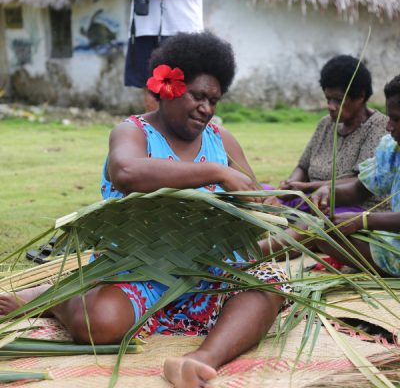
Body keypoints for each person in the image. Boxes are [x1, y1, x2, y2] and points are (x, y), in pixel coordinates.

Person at [0, 32, 291, 388]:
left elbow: (252, 197)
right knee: (100, 326)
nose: (207, 109)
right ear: (167, 86)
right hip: (140, 266)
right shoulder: (132, 131)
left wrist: (272, 206)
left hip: (209, 269)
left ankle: (200, 360)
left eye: (214, 100)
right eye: (198, 96)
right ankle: (56, 297)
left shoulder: (221, 141)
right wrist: (215, 172)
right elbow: (127, 172)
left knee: (267, 288)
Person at [308, 74, 400, 277]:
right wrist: (329, 192)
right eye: (389, 117)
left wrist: (363, 221)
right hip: (395, 239)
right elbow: (359, 191)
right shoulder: (393, 149)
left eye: (396, 119)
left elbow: (365, 219)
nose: (389, 126)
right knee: (323, 234)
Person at [274, 55, 388, 213]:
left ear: (360, 97)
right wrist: (290, 186)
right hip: (310, 200)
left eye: (338, 100)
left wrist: (307, 187)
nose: (331, 106)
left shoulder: (380, 128)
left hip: (352, 209)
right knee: (261, 195)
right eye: (328, 99)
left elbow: (361, 183)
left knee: (318, 221)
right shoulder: (325, 124)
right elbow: (303, 166)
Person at [121, 0, 213, 112]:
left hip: (183, 25)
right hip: (144, 26)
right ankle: (154, 131)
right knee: (151, 89)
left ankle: (186, 131)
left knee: (189, 88)